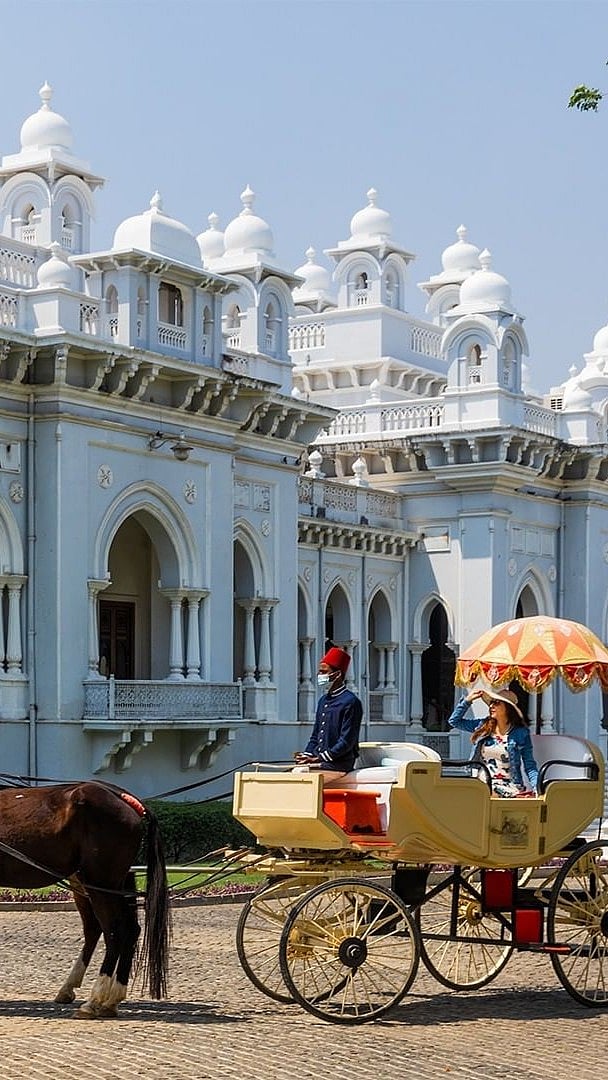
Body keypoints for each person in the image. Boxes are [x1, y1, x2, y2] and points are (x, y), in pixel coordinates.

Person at [448, 687, 539, 797]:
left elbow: (529, 765)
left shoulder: (521, 733)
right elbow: (454, 721)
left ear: (508, 708)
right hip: (483, 783)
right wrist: (468, 700)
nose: (491, 706)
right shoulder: (483, 725)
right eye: (491, 702)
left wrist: (537, 788)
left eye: (496, 703)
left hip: (511, 786)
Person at [294, 646, 363, 778]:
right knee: (290, 773)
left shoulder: (351, 702)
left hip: (339, 764)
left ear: (337, 675)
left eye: (324, 672)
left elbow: (346, 742)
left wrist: (319, 758)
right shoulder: (323, 700)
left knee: (300, 776)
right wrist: (306, 755)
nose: (320, 675)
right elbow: (315, 735)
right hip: (320, 762)